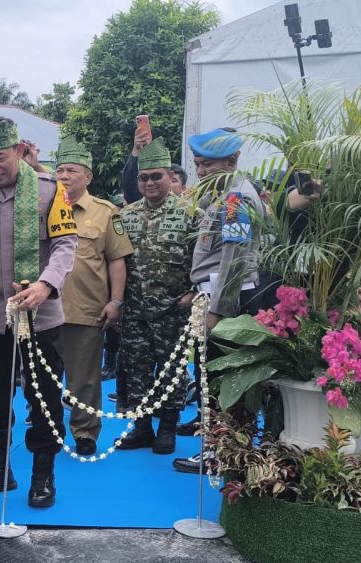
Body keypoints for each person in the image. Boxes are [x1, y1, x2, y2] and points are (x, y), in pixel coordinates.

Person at [0, 111, 78, 508]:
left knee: (43, 398)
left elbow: (65, 245)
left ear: (20, 150)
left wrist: (45, 284)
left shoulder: (50, 191)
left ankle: (43, 473)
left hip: (41, 317)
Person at [175, 127, 266, 472]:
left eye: (208, 164)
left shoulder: (235, 199)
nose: (201, 171)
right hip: (213, 294)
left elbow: (234, 259)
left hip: (229, 301)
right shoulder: (221, 194)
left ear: (233, 160)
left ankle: (221, 452)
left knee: (223, 379)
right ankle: (223, 448)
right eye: (198, 164)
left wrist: (217, 310)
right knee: (211, 375)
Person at [114, 138, 198, 455]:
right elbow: (116, 262)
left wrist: (193, 293)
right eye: (144, 178)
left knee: (172, 371)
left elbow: (202, 260)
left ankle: (167, 428)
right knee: (136, 369)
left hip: (173, 310)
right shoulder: (126, 215)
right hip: (135, 310)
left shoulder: (191, 214)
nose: (149, 183)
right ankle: (142, 428)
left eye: (156, 176)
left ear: (170, 176)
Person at [53, 137, 133, 456]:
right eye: (60, 170)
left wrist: (115, 301)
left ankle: (85, 431)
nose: (64, 176)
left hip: (86, 307)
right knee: (44, 375)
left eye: (71, 170)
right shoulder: (44, 209)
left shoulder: (105, 212)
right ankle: (48, 427)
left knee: (85, 378)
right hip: (45, 309)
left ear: (87, 176)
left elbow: (117, 260)